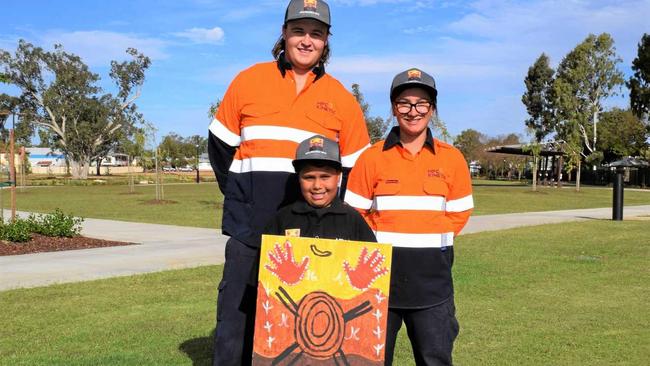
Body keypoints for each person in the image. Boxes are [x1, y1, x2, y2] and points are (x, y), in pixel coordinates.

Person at [207, 0, 370, 364]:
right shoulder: (248, 80)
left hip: (311, 241)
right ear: (284, 34)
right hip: (249, 233)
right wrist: (242, 196)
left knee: (298, 336)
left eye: (316, 33)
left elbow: (359, 170)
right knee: (235, 328)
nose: (306, 40)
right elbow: (220, 148)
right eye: (298, 31)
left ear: (327, 41)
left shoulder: (343, 99)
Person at [344, 68, 473, 365]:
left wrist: (425, 240)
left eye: (421, 103)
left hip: (433, 286)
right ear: (393, 108)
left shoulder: (452, 158)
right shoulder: (371, 157)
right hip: (376, 284)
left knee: (434, 360)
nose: (413, 111)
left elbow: (459, 213)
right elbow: (354, 215)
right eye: (404, 103)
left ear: (432, 109)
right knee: (369, 361)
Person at [264, 135, 376, 243]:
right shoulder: (282, 219)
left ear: (338, 177)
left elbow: (373, 260)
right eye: (309, 177)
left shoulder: (354, 220)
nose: (317, 186)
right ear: (298, 178)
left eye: (325, 177)